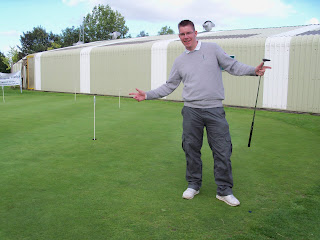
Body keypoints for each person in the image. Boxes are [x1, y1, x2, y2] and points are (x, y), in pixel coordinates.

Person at [129, 20, 271, 207]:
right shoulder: (179, 61)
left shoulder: (213, 49)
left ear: (196, 33)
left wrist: (253, 70)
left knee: (222, 150)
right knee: (191, 149)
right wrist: (147, 95)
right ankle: (194, 184)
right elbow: (169, 85)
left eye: (188, 33)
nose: (185, 37)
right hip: (191, 112)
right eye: (182, 34)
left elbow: (232, 66)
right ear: (179, 36)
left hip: (214, 110)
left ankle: (224, 190)